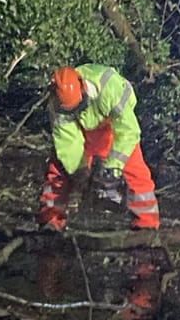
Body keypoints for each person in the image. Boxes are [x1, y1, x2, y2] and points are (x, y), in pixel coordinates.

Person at [38, 64, 160, 232]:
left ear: (83, 87)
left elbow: (128, 130)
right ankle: (50, 220)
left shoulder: (109, 86)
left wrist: (113, 168)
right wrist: (79, 171)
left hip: (113, 128)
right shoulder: (58, 104)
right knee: (58, 172)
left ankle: (147, 225)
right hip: (81, 130)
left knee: (135, 172)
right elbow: (67, 141)